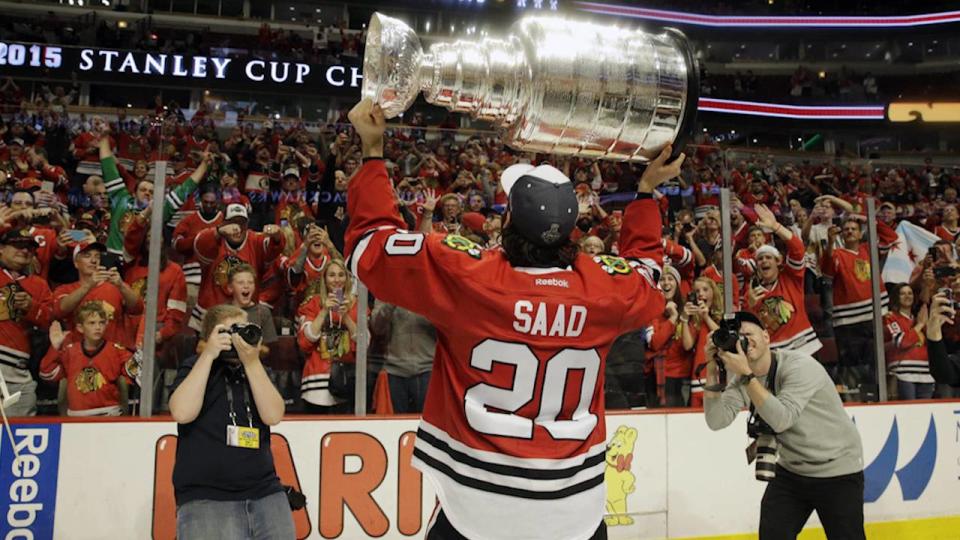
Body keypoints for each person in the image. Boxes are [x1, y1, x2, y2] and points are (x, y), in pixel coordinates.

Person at [344, 99, 678, 540]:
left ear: (506, 222)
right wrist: (646, 194)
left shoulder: (469, 276)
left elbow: (369, 246)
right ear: (571, 232)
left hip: (475, 508)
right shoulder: (605, 290)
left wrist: (372, 152)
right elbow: (648, 273)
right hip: (574, 511)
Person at [703, 312, 865, 540]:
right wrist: (711, 369)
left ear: (767, 337)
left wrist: (747, 376)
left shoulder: (799, 367)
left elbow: (782, 418)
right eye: (737, 337)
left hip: (836, 468)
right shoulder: (741, 379)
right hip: (792, 471)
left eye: (748, 334)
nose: (744, 341)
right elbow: (716, 420)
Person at [168, 304, 292, 540]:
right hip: (206, 496)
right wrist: (208, 355)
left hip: (264, 491)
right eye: (230, 331)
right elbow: (182, 412)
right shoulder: (195, 366)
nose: (237, 338)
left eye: (243, 330)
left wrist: (252, 362)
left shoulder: (255, 369)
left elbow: (273, 415)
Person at [39, 304, 135, 416]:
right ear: (80, 328)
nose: (98, 327)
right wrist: (55, 347)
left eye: (102, 322)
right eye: (92, 323)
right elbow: (46, 373)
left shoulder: (116, 351)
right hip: (76, 417)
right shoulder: (70, 352)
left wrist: (141, 354)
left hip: (109, 415)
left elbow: (135, 372)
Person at [0, 229, 54, 416]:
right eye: (18, 245)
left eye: (29, 248)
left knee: (18, 431)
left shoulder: (38, 285)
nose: (24, 251)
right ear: (1, 248)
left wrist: (31, 307)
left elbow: (49, 321)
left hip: (19, 369)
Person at [369, 301, 436, 414]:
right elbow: (377, 328)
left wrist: (427, 298)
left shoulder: (430, 290)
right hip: (394, 371)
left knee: (429, 423)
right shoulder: (385, 292)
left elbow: (446, 324)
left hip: (427, 369)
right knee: (394, 426)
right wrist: (392, 300)